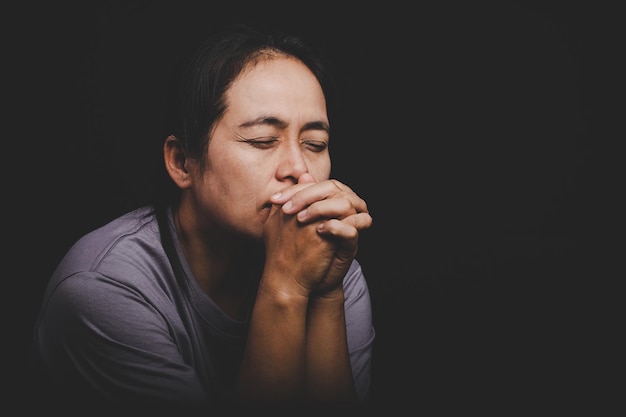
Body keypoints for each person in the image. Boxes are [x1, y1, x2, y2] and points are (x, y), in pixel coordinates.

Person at [29, 22, 374, 413]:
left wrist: (327, 294)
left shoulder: (328, 266)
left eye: (315, 144)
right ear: (182, 162)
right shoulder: (103, 290)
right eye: (262, 140)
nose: (299, 169)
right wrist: (286, 288)